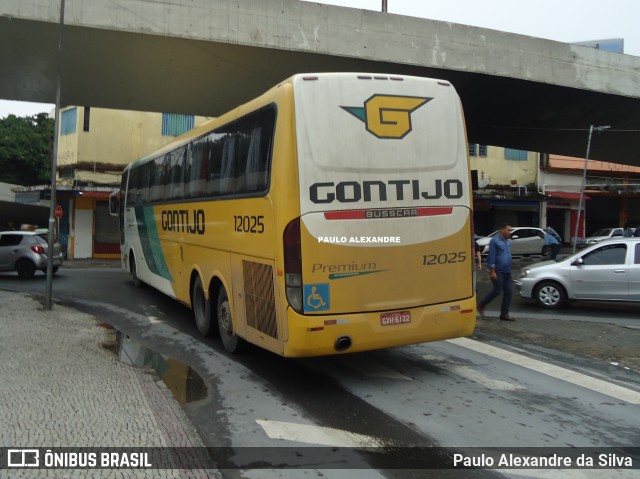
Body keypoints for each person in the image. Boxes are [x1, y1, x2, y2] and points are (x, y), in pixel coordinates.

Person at [477, 224, 514, 321]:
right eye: (508, 230)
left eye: (511, 231)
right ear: (502, 230)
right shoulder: (495, 241)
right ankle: (481, 304)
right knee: (497, 291)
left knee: (509, 292)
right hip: (498, 271)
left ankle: (504, 314)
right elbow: (492, 256)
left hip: (507, 271)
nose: (510, 232)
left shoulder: (507, 242)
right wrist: (492, 271)